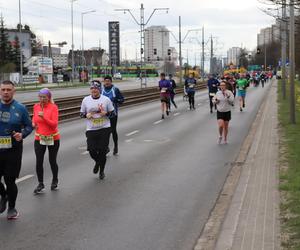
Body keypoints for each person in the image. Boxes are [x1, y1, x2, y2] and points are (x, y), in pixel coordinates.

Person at [0, 80, 33, 219]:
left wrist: (22, 134)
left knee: (9, 180)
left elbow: (29, 126)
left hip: (13, 150)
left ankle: (12, 208)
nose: (6, 92)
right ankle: (4, 196)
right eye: (3, 90)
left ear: (14, 91)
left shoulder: (21, 108)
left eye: (9, 90)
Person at [80, 80, 114, 180]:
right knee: (91, 150)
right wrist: (86, 115)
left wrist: (106, 113)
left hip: (104, 128)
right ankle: (98, 162)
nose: (94, 90)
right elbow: (81, 114)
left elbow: (113, 113)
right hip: (91, 129)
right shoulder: (86, 100)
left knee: (102, 150)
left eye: (96, 88)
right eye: (92, 88)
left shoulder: (106, 99)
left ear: (99, 89)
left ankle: (101, 171)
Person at [32, 88, 60, 194]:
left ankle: (55, 180)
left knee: (52, 160)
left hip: (53, 137)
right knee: (39, 161)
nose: (42, 99)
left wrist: (44, 118)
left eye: (44, 97)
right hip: (39, 138)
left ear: (49, 98)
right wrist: (33, 123)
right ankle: (40, 183)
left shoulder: (53, 107)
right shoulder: (36, 106)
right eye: (40, 97)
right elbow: (34, 118)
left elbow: (54, 124)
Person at [101, 75, 124, 155]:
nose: (107, 82)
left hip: (113, 114)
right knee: (104, 132)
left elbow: (122, 100)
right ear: (104, 82)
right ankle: (106, 148)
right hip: (103, 115)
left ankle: (116, 146)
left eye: (108, 81)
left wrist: (116, 100)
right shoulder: (101, 90)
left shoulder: (115, 90)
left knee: (113, 130)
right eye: (105, 81)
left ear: (111, 82)